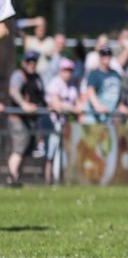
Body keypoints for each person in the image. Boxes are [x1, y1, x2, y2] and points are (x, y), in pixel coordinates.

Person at [6, 51, 46, 187]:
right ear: (24, 63)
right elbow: (13, 91)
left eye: (34, 62)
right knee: (18, 149)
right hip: (18, 118)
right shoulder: (19, 75)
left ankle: (16, 178)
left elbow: (41, 97)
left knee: (24, 150)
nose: (32, 65)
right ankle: (12, 178)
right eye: (29, 62)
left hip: (30, 120)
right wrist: (23, 104)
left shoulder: (36, 77)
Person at [44, 57, 82, 183]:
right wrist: (68, 106)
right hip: (52, 122)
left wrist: (66, 106)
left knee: (62, 153)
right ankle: (48, 180)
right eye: (65, 70)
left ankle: (58, 179)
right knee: (51, 152)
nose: (68, 73)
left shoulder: (71, 86)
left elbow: (79, 107)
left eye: (70, 70)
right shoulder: (54, 83)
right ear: (60, 70)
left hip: (65, 124)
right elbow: (57, 106)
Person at [84, 43, 127, 126]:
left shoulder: (116, 74)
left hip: (109, 118)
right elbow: (90, 91)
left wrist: (120, 105)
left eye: (108, 54)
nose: (106, 57)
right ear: (99, 57)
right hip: (94, 118)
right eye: (103, 54)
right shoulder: (94, 73)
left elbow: (118, 92)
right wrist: (97, 106)